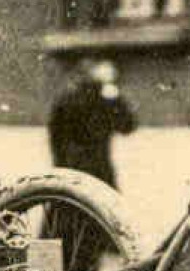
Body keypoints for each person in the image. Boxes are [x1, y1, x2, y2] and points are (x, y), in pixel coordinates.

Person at [47, 57, 137, 189]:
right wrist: (115, 100)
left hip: (70, 170)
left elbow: (55, 137)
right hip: (96, 170)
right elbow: (127, 127)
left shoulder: (67, 99)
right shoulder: (103, 99)